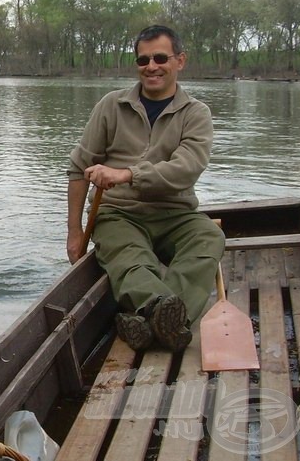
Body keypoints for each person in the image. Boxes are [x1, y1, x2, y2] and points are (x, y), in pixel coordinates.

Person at [65, 25, 225, 352]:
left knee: (209, 237)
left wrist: (126, 174)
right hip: (119, 214)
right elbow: (79, 168)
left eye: (160, 58)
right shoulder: (111, 106)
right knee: (132, 259)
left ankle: (152, 318)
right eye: (143, 60)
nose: (151, 66)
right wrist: (74, 232)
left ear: (180, 61)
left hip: (175, 214)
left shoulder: (196, 114)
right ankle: (165, 316)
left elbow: (185, 169)